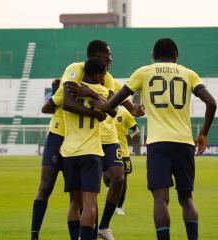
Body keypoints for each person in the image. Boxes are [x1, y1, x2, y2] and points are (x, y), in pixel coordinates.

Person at [94, 38, 217, 240]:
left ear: (153, 55)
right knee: (186, 198)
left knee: (161, 199)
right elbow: (211, 103)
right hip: (184, 142)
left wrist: (96, 99)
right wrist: (203, 133)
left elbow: (112, 104)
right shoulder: (188, 73)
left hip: (158, 143)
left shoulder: (143, 72)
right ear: (176, 55)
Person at [56, 39, 144, 240]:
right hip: (89, 142)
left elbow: (119, 96)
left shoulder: (109, 78)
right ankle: (89, 231)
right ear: (97, 57)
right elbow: (103, 104)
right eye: (108, 56)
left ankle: (103, 226)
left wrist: (133, 109)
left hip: (108, 137)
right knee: (87, 197)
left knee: (118, 177)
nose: (111, 59)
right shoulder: (76, 71)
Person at [61, 57, 112, 240]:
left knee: (74, 202)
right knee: (90, 202)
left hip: (69, 152)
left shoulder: (71, 87)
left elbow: (63, 103)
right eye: (104, 73)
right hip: (91, 151)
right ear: (98, 74)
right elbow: (109, 112)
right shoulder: (102, 91)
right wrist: (95, 101)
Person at [31, 78, 63, 240]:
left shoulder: (88, 87)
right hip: (56, 138)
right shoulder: (64, 86)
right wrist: (56, 91)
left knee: (78, 193)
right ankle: (34, 235)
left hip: (78, 140)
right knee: (45, 188)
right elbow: (46, 108)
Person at [113, 106, 139, 215]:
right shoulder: (102, 109)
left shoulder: (124, 112)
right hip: (106, 150)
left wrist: (130, 136)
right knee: (107, 179)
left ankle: (119, 206)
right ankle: (112, 196)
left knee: (123, 181)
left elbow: (136, 130)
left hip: (123, 153)